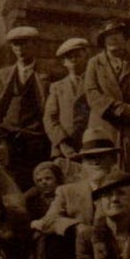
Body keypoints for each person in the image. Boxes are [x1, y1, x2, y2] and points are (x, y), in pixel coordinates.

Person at [0, 25, 53, 188]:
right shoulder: (1, 76)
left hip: (38, 139)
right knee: (11, 183)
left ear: (35, 45)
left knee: (39, 182)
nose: (20, 49)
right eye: (16, 45)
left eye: (25, 44)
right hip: (9, 140)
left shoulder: (49, 73)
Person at [84, 17, 130, 174]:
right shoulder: (94, 63)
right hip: (105, 123)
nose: (114, 38)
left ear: (125, 37)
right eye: (109, 35)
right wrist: (117, 107)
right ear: (104, 40)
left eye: (118, 34)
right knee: (104, 169)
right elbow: (92, 92)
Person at [43, 36, 92, 167]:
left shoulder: (94, 82)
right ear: (64, 62)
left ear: (86, 57)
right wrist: (63, 143)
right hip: (64, 150)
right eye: (70, 58)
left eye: (78, 56)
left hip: (90, 146)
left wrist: (92, 142)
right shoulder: (57, 87)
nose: (74, 60)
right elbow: (50, 118)